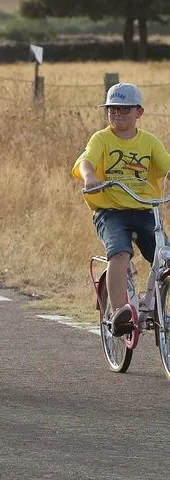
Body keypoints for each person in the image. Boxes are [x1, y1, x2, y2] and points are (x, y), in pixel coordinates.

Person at [72, 82, 170, 335]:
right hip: (111, 212)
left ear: (139, 112)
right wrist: (90, 177)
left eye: (124, 109)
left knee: (165, 257)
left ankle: (153, 304)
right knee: (119, 254)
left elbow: (167, 167)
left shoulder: (149, 142)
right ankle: (120, 314)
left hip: (146, 210)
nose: (117, 114)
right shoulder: (101, 139)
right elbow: (85, 161)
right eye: (112, 109)